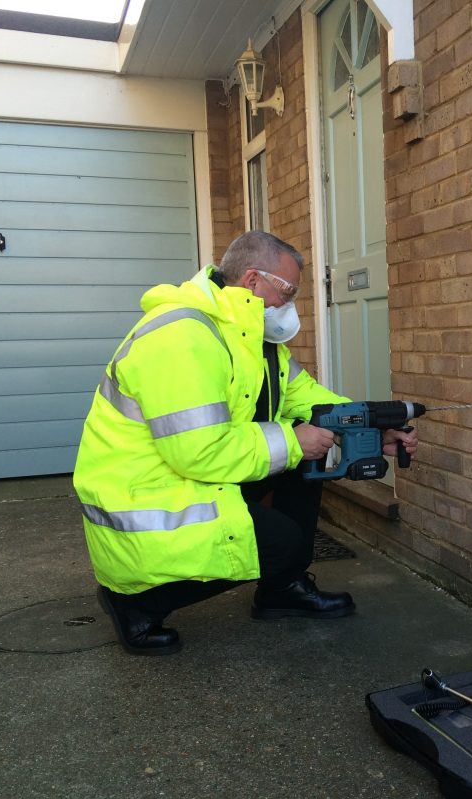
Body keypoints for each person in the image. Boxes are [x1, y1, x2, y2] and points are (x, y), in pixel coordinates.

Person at [73, 231, 418, 656]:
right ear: (253, 280)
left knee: (305, 459)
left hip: (183, 477)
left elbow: (306, 399)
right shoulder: (182, 337)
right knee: (283, 535)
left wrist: (369, 427)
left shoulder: (250, 337)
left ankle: (281, 589)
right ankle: (136, 604)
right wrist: (294, 442)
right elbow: (201, 451)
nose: (290, 305)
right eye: (287, 291)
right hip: (146, 502)